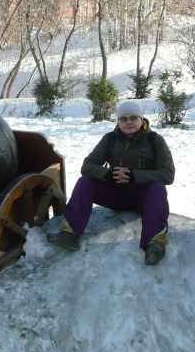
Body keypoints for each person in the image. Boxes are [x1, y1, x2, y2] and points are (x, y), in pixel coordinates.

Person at [46, 99, 175, 265]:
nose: (128, 122)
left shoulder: (155, 140)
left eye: (133, 118)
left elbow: (168, 174)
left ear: (141, 120)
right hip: (115, 194)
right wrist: (108, 173)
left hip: (143, 199)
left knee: (158, 188)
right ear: (118, 121)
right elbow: (87, 166)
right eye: (123, 118)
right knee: (85, 182)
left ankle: (155, 244)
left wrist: (135, 176)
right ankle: (69, 233)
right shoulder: (110, 139)